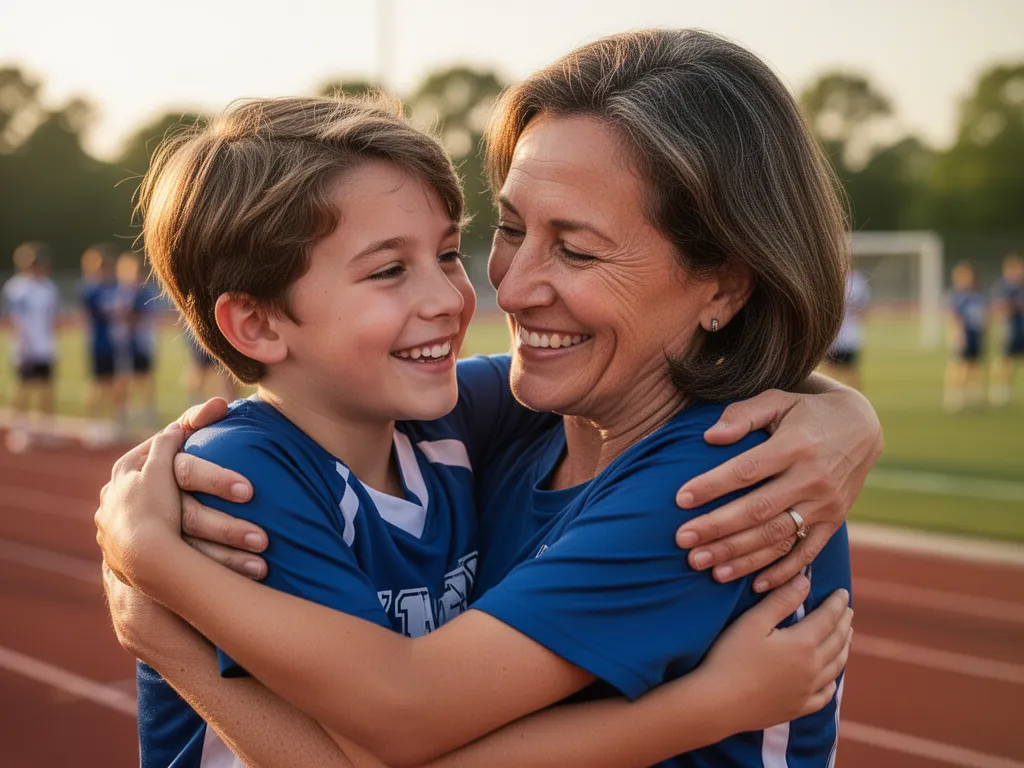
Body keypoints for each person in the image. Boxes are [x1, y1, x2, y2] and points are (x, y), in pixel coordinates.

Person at [97, 30, 882, 767]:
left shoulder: (719, 491)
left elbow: (403, 714)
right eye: (508, 229)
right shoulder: (505, 417)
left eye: (575, 249)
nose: (505, 284)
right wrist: (843, 408)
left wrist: (156, 595)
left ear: (725, 283)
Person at [1, 242, 60, 452]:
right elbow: (15, 320)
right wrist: (21, 346)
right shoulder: (17, 289)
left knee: (46, 390)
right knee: (23, 389)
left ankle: (46, 429)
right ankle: (20, 429)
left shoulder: (48, 287)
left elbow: (52, 318)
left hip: (45, 347)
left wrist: (52, 343)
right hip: (25, 349)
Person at [79, 243, 128, 444]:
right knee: (98, 384)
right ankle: (92, 424)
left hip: (116, 343)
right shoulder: (91, 289)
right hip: (99, 343)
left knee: (116, 384)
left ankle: (114, 423)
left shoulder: (115, 287)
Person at [114, 251, 160, 430]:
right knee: (123, 380)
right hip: (124, 344)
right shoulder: (119, 293)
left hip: (142, 343)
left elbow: (143, 315)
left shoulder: (145, 292)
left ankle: (148, 413)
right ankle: (122, 415)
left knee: (146, 378)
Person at [945, 261, 988, 412]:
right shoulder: (957, 296)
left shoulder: (977, 295)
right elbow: (954, 316)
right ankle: (954, 395)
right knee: (959, 365)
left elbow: (983, 317)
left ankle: (975, 394)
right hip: (963, 335)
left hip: (976, 335)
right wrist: (957, 334)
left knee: (976, 365)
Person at [823, 267, 870, 390]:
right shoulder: (832, 280)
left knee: (850, 369)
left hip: (849, 335)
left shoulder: (858, 281)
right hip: (833, 336)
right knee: (830, 369)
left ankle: (856, 397)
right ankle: (829, 397)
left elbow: (864, 308)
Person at [989, 252, 1024, 406]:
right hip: (1011, 328)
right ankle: (1000, 390)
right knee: (1006, 361)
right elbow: (999, 308)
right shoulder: (1002, 287)